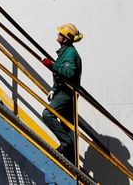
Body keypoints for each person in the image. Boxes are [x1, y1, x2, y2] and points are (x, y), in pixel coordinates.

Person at [41, 22, 83, 163]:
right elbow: (60, 77)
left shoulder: (70, 52)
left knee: (47, 114)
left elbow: (68, 73)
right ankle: (71, 163)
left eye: (60, 33)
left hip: (67, 94)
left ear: (65, 38)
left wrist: (51, 65)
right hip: (63, 92)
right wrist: (53, 89)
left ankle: (66, 144)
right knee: (67, 127)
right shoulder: (64, 51)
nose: (58, 35)